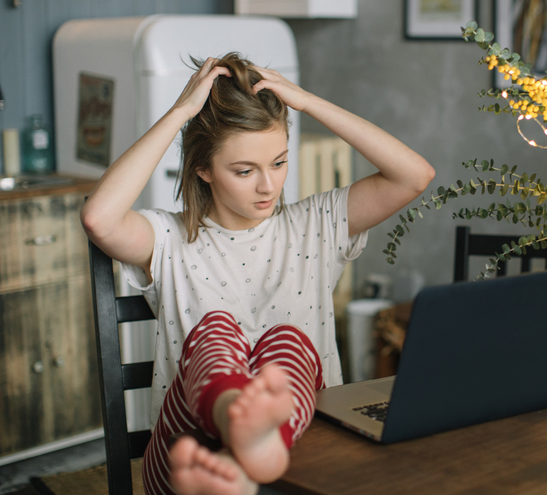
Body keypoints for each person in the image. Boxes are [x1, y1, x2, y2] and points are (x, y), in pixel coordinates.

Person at [81, 52, 435, 495]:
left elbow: (415, 175)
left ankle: (255, 449)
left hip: (305, 459)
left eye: (279, 162)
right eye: (245, 171)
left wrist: (307, 102)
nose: (268, 186)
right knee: (215, 332)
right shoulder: (168, 240)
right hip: (192, 460)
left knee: (286, 343)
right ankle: (239, 431)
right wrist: (180, 114)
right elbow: (99, 218)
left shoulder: (316, 225)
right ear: (203, 169)